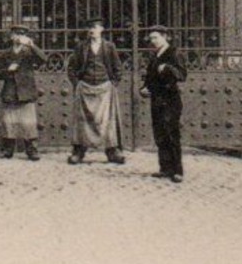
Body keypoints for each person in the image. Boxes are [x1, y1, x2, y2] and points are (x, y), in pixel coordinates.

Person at [66, 17, 126, 165]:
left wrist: (113, 84)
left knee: (108, 120)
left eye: (95, 27)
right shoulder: (81, 47)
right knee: (82, 121)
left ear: (101, 30)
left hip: (105, 88)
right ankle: (78, 152)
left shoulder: (109, 47)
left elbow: (118, 67)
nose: (92, 30)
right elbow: (72, 68)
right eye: (90, 28)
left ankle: (112, 152)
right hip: (85, 87)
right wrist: (77, 84)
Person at [140, 25, 188, 182]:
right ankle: (165, 168)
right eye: (151, 38)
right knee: (160, 135)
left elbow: (182, 75)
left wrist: (167, 67)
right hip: (156, 99)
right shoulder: (155, 55)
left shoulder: (174, 53)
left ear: (165, 37)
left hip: (170, 100)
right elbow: (149, 78)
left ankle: (177, 170)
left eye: (156, 37)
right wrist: (144, 89)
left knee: (172, 134)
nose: (153, 41)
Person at [0, 24, 44, 161]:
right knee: (8, 122)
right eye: (16, 34)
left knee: (28, 122)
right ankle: (8, 150)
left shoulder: (29, 52)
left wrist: (32, 45)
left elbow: (43, 59)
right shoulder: (5, 54)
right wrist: (8, 70)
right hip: (10, 91)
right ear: (12, 37)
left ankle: (32, 150)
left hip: (26, 91)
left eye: (22, 35)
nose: (18, 37)